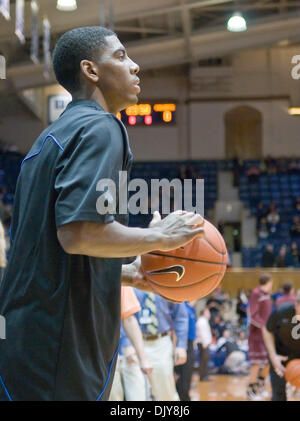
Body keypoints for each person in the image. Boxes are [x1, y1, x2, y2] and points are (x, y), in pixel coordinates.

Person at [0, 26, 205, 401]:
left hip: (29, 338)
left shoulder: (49, 138)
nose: (135, 66)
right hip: (57, 346)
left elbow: (49, 250)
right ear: (91, 71)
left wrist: (125, 273)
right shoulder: (101, 126)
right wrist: (161, 236)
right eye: (122, 56)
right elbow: (79, 234)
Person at [129, 290, 188, 401]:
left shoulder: (166, 282)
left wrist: (181, 346)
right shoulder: (130, 285)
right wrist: (126, 344)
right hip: (135, 343)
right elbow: (125, 316)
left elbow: (181, 317)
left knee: (165, 391)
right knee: (136, 394)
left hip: (161, 343)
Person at [109, 286, 152, 401]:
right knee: (112, 395)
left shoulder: (138, 291)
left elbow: (130, 319)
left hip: (132, 347)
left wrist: (142, 357)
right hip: (107, 351)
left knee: (137, 394)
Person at [262, 291, 300, 401]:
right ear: (296, 305)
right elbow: (267, 330)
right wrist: (273, 356)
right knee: (278, 395)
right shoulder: (282, 312)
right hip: (281, 355)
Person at [246, 273, 273, 401]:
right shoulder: (256, 293)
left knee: (269, 360)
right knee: (256, 362)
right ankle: (250, 389)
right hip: (257, 333)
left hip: (267, 333)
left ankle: (260, 383)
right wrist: (263, 327)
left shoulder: (266, 295)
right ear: (268, 281)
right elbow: (252, 314)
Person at [175, 300, 197, 401]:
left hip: (191, 343)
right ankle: (182, 397)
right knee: (182, 374)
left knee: (188, 373)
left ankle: (185, 395)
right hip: (183, 343)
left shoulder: (191, 309)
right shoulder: (182, 306)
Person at [196, 307, 212, 381]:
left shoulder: (204, 321)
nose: (209, 314)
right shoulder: (201, 321)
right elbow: (202, 333)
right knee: (203, 361)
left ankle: (204, 375)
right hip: (203, 344)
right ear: (204, 313)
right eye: (208, 312)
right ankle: (203, 376)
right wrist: (205, 343)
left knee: (205, 360)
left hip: (205, 343)